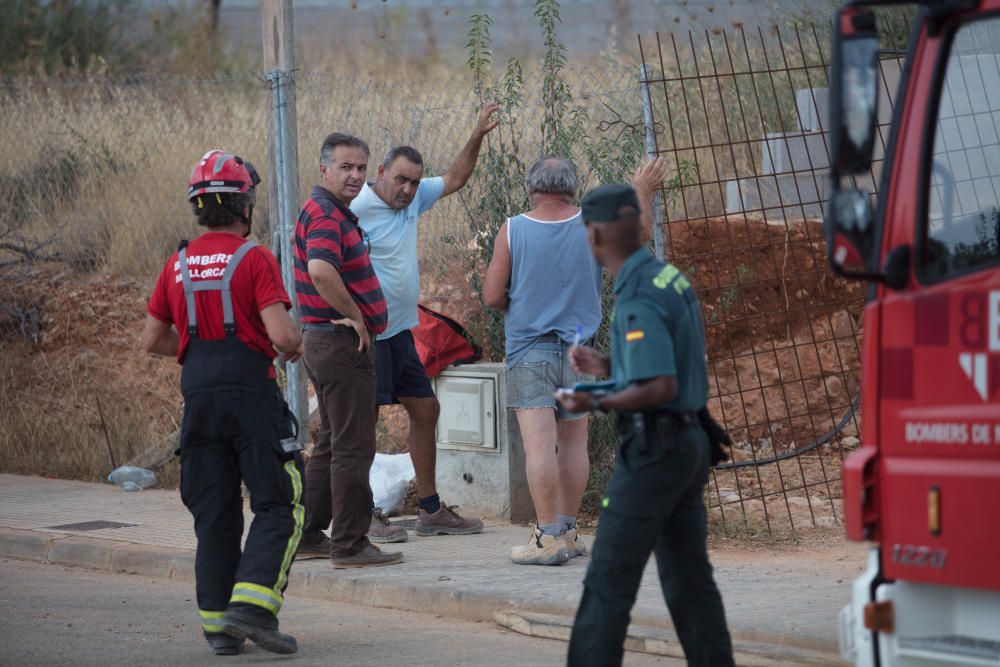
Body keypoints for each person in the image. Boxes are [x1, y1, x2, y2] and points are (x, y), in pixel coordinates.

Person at [556, 184, 735, 667]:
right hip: (688, 445)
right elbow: (662, 360)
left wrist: (591, 399)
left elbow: (657, 385)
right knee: (690, 583)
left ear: (593, 235)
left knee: (608, 584)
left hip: (655, 451)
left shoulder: (636, 294)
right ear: (637, 224)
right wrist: (607, 365)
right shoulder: (667, 278)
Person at [141, 149, 305, 656]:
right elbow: (281, 333)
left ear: (199, 208)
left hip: (198, 396)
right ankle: (252, 608)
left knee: (214, 514)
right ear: (245, 206)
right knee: (282, 500)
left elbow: (153, 339)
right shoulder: (254, 258)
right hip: (250, 393)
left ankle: (218, 627)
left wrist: (198, 350)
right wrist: (292, 345)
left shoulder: (178, 263)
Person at [482, 157, 669, 566]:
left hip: (529, 348)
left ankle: (545, 536)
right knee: (573, 442)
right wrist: (644, 190)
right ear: (573, 187)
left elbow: (494, 296)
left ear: (532, 187)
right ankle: (566, 529)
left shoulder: (513, 229)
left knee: (539, 444)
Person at [349, 103, 500, 542]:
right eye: (400, 179)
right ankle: (363, 512)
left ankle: (430, 511)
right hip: (368, 333)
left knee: (426, 409)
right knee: (364, 421)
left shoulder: (411, 201)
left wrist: (476, 135)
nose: (409, 189)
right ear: (380, 172)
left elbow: (454, 179)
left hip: (400, 331)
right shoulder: (356, 208)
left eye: (415, 182)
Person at [292, 133, 405, 568]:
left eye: (361, 167)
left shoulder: (328, 210)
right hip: (340, 344)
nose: (355, 175)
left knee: (332, 445)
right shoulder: (325, 215)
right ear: (324, 171)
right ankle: (351, 544)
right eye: (345, 167)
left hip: (324, 341)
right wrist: (357, 316)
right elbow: (321, 270)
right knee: (355, 447)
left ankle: (307, 534)